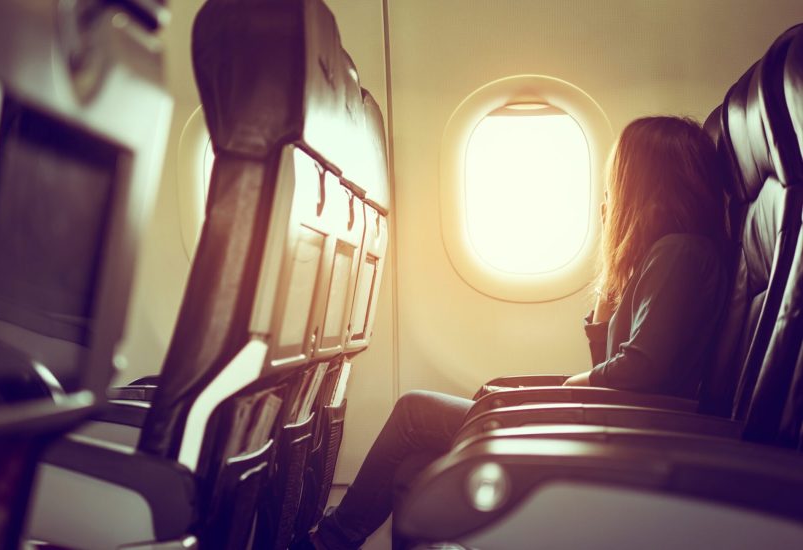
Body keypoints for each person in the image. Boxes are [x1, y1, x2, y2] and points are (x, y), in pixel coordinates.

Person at [300, 115, 730, 549]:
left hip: (636, 440)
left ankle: (326, 543)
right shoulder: (663, 255)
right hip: (618, 425)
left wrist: (561, 389)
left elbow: (641, 370)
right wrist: (610, 262)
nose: (607, 196)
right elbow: (612, 368)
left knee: (414, 412)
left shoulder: (680, 252)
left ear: (644, 184)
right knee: (415, 467)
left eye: (616, 182)